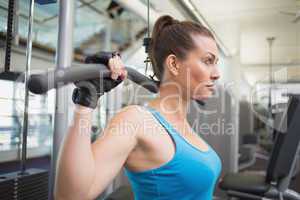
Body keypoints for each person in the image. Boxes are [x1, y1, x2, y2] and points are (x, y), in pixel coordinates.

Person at [55, 15, 222, 200]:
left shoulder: (183, 124)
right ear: (174, 64)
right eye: (208, 61)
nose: (217, 74)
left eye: (216, 63)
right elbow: (70, 196)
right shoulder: (136, 120)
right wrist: (85, 104)